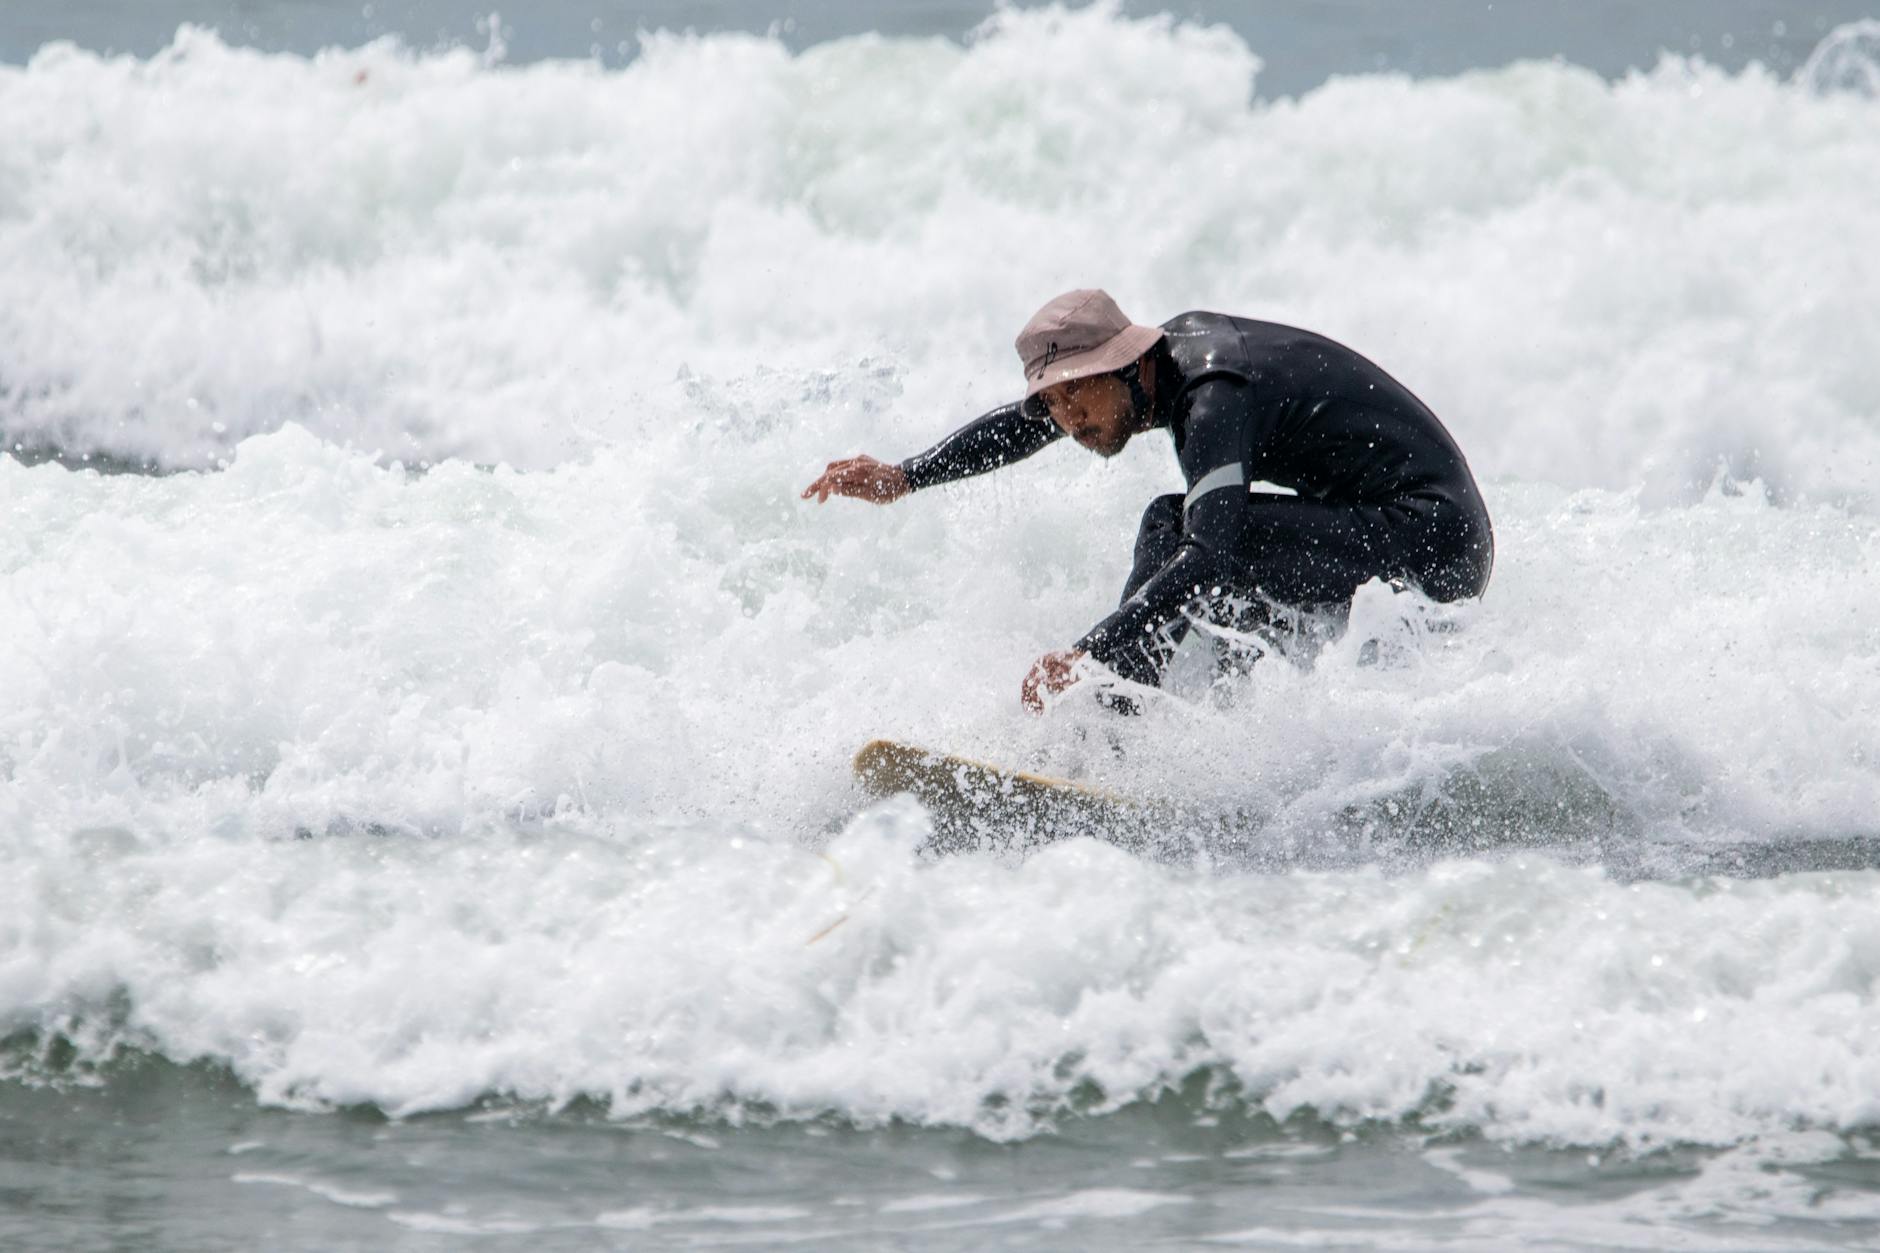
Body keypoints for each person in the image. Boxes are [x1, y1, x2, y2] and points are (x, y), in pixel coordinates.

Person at [801, 288, 1493, 713]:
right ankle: (1230, 752)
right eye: (1054, 402)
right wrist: (905, 476)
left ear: (1129, 366)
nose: (1069, 421)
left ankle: (1114, 721)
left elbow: (1211, 551)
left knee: (1178, 530)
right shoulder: (1149, 373)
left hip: (1431, 538)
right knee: (1222, 597)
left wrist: (1089, 654)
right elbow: (1021, 427)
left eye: (1077, 394)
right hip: (1394, 532)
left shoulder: (1213, 395)